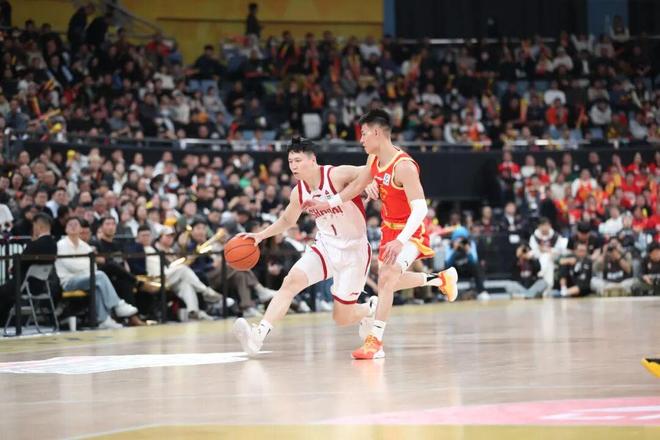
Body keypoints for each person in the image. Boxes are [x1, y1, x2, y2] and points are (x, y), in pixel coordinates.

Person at [234, 137, 457, 357]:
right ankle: (257, 336)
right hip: (325, 246)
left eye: (298, 160)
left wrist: (371, 183)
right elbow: (287, 220)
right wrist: (260, 236)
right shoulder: (298, 192)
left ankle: (370, 308)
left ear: (312, 160)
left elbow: (369, 172)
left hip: (354, 252)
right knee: (290, 282)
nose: (293, 166)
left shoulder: (336, 174)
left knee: (341, 318)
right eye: (290, 161)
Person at [301, 110, 459, 359]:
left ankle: (375, 342)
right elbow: (357, 186)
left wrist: (400, 241)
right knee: (391, 281)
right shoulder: (373, 160)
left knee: (386, 278)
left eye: (364, 134)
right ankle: (440, 279)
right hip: (388, 228)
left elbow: (420, 209)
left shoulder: (404, 166)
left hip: (410, 230)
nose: (361, 139)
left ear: (376, 132)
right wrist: (327, 203)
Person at [55, 217, 139, 329]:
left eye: (76, 224)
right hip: (69, 281)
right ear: (66, 229)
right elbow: (70, 265)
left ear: (80, 229)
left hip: (86, 278)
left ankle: (104, 320)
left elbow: (92, 265)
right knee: (100, 276)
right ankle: (118, 305)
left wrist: (83, 267)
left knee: (97, 283)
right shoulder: (61, 245)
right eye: (70, 224)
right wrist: (84, 267)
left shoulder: (85, 246)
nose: (73, 226)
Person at [0, 213, 58, 324]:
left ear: (39, 226)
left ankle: (3, 322)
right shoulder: (53, 245)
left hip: (25, 284)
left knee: (3, 292)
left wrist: (12, 269)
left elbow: (20, 263)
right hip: (42, 285)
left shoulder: (35, 244)